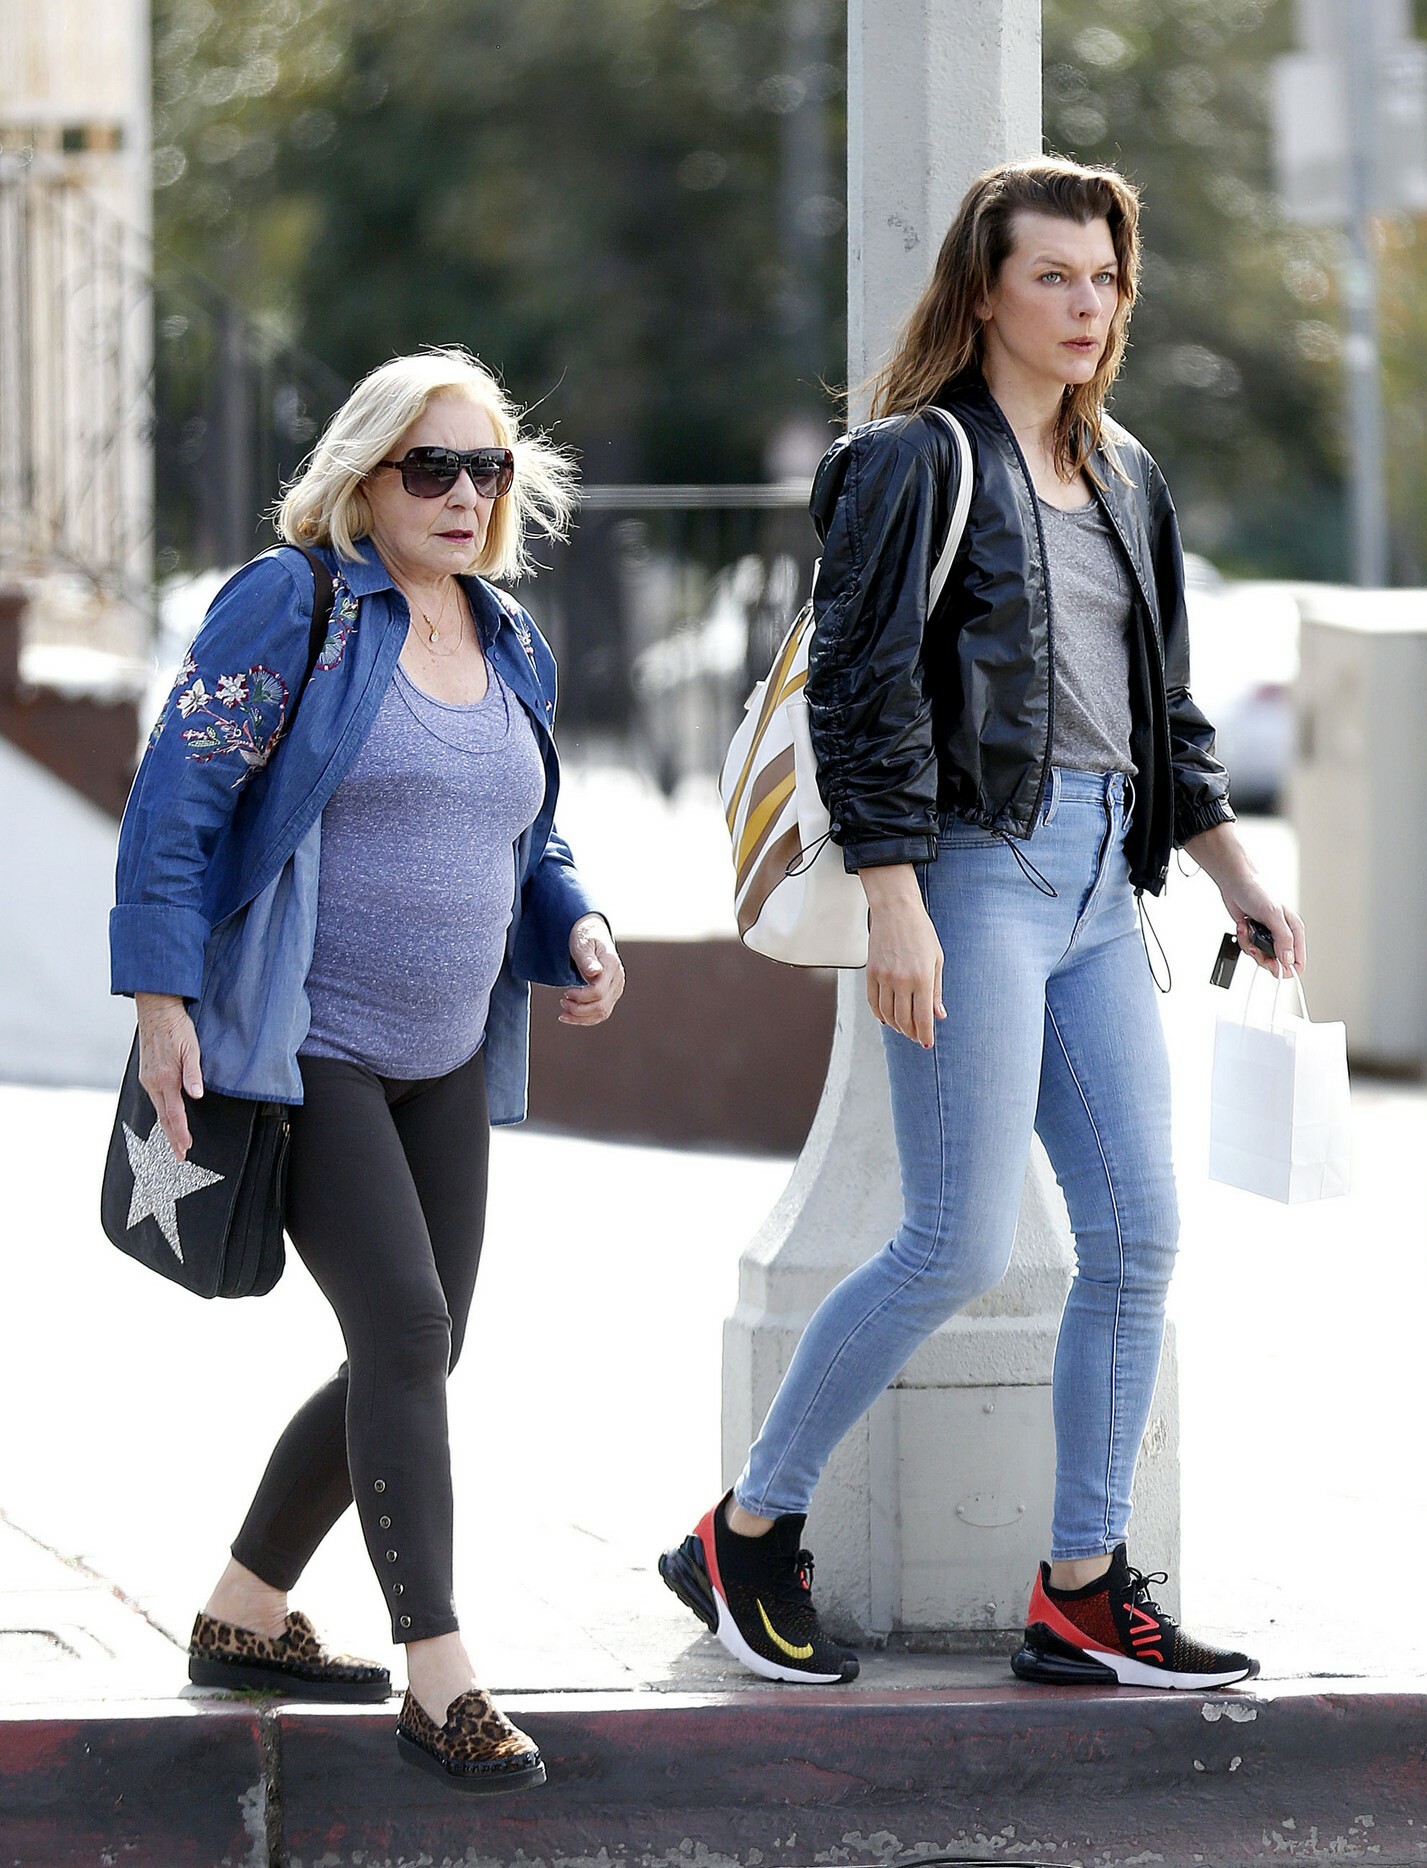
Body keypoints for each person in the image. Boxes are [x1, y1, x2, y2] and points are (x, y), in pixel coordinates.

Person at [661, 158, 1303, 1690]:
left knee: (1137, 1238)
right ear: (984, 292)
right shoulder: (912, 463)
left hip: (1101, 887)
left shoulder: (1126, 475)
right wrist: (897, 897)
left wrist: (1231, 869)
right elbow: (863, 687)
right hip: (970, 875)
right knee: (953, 1242)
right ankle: (747, 1531)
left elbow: (1164, 707)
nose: (1086, 306)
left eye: (1105, 279)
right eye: (1052, 277)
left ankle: (1082, 1588)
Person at [112, 348, 623, 1792]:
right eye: (431, 466)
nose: (464, 495)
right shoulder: (298, 606)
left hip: (445, 1053)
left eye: (487, 469)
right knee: (402, 1332)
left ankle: (244, 1611)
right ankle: (439, 1675)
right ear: (364, 473)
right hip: (307, 1049)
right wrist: (160, 996)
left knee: (418, 1348)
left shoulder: (507, 633)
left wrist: (573, 921)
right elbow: (178, 794)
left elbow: (524, 824)